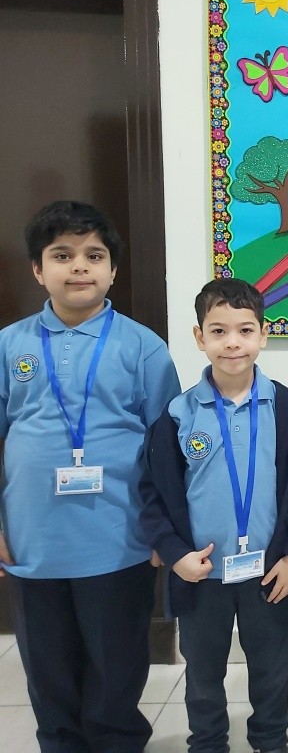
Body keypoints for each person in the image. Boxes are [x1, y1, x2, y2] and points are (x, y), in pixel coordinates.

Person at [0, 200, 180, 752]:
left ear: (113, 270)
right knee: (47, 666)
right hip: (33, 540)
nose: (79, 266)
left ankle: (117, 741)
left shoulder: (143, 347)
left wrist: (165, 533)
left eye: (94, 255)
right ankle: (60, 742)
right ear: (38, 269)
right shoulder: (10, 345)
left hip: (118, 539)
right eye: (62, 255)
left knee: (116, 662)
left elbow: (167, 451)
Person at [140, 277, 288, 753]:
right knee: (203, 673)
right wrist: (174, 554)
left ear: (264, 335)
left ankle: (270, 740)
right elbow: (153, 494)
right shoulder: (177, 415)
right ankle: (208, 742)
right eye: (218, 331)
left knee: (271, 668)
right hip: (200, 574)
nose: (232, 342)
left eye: (245, 330)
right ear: (199, 337)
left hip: (269, 571)